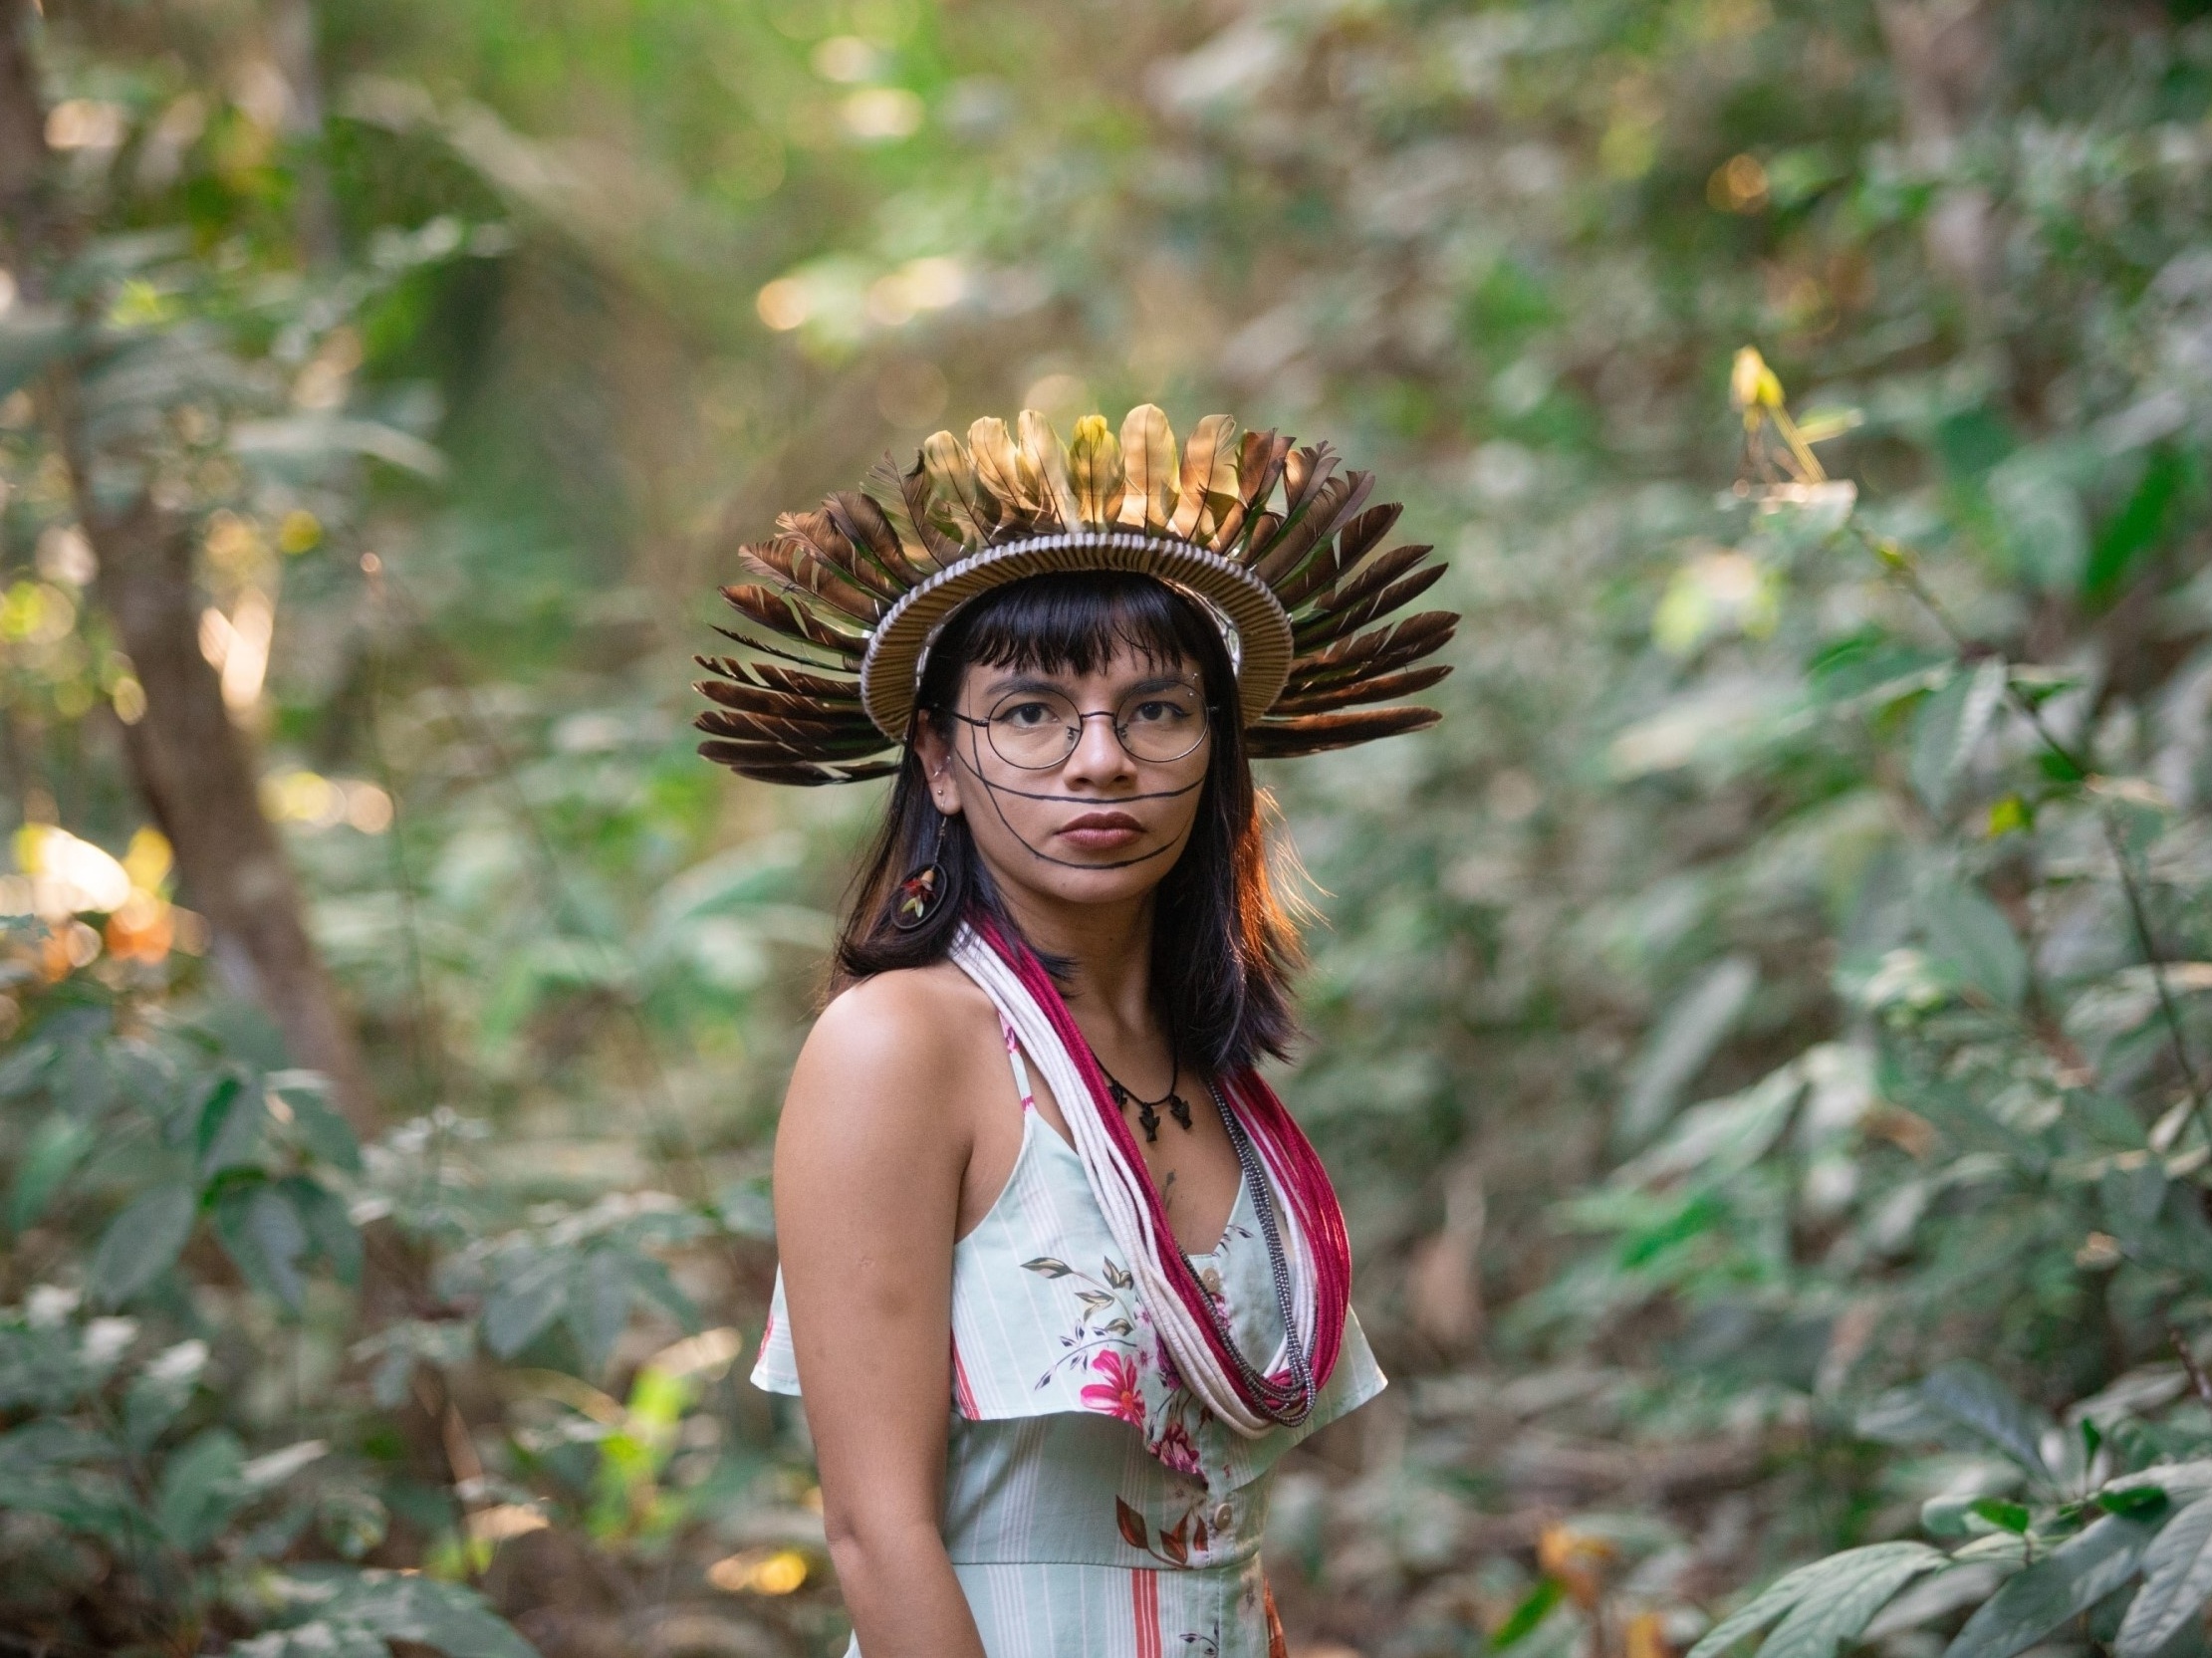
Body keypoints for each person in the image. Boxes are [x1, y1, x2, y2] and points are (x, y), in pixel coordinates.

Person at [698, 405, 1459, 1658]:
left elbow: (1215, 1527)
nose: (1098, 760)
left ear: (1214, 754)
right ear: (939, 760)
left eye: (1156, 710)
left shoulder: (1212, 1074)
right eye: (1033, 713)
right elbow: (873, 1535)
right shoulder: (898, 1048)